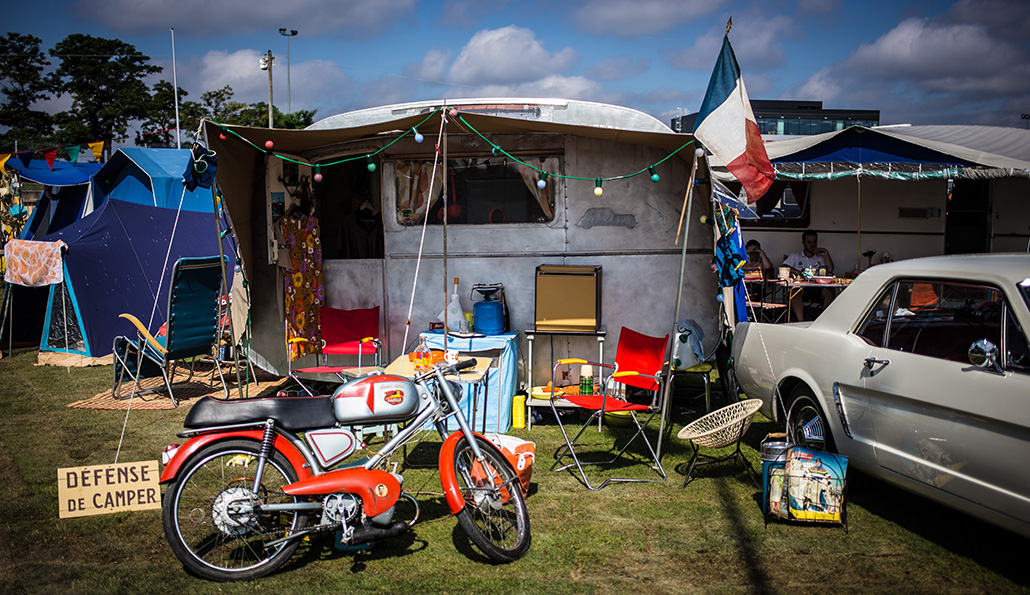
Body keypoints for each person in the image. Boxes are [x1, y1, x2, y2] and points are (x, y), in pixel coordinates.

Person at [783, 230, 835, 321]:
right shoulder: (796, 255)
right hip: (801, 287)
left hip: (818, 287)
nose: (812, 245)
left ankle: (822, 320)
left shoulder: (821, 257)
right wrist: (796, 272)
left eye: (815, 242)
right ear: (803, 243)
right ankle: (800, 321)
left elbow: (830, 269)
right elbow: (783, 266)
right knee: (795, 291)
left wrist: (825, 251)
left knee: (830, 291)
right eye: (809, 242)